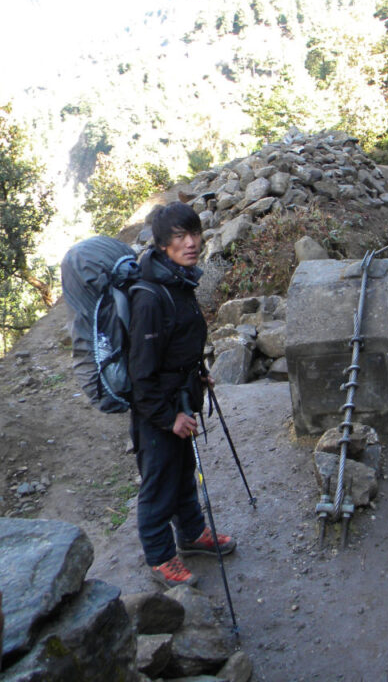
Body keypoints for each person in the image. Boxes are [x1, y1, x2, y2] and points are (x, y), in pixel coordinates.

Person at [130, 202, 236, 587]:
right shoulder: (150, 296)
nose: (191, 243)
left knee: (184, 471)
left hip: (181, 395)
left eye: (194, 234)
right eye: (179, 237)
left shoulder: (180, 279)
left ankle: (192, 535)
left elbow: (178, 342)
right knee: (159, 481)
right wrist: (166, 416)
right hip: (158, 409)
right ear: (161, 245)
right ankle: (160, 558)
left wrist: (198, 374)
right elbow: (140, 376)